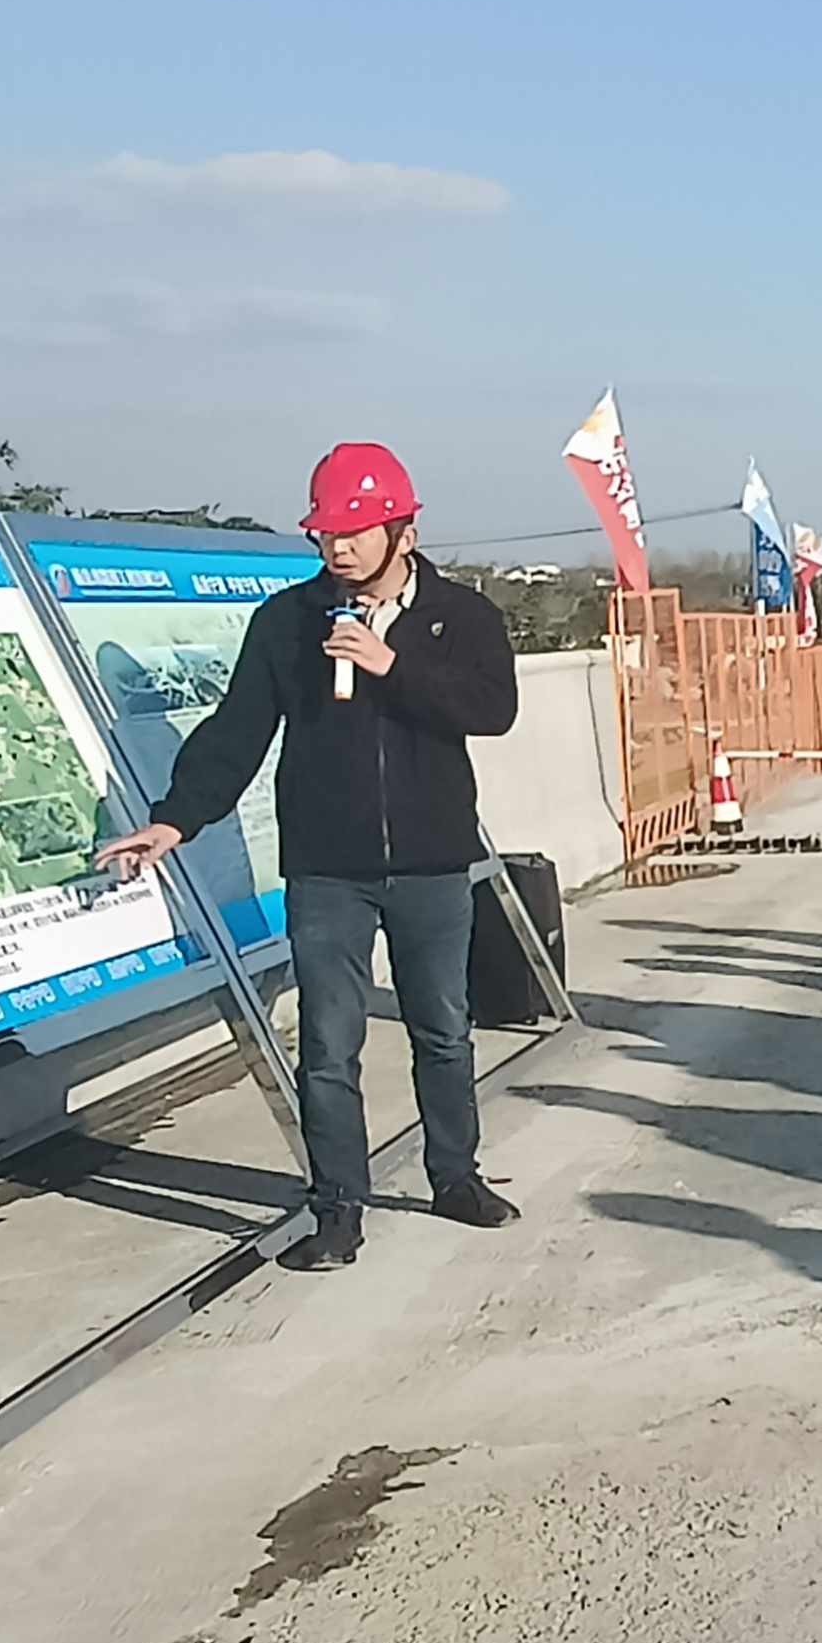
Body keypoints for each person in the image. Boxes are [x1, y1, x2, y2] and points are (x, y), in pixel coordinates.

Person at [95, 443, 520, 1272]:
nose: (339, 547)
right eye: (327, 532)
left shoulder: (462, 616)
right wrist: (175, 820)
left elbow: (492, 709)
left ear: (404, 531)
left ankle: (456, 1177)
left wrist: (392, 666)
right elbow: (238, 730)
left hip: (433, 862)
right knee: (328, 1043)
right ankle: (337, 1207)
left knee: (443, 1029)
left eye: (356, 531)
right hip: (327, 869)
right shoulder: (288, 622)